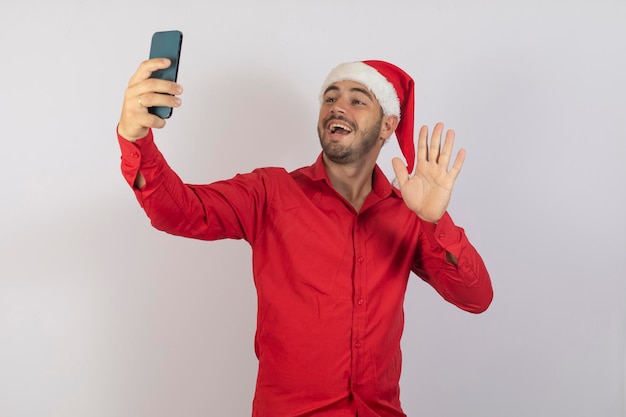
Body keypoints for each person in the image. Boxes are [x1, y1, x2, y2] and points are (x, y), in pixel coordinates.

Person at [116, 58, 493, 417]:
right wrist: (136, 140)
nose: (337, 107)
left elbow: (476, 298)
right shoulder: (270, 192)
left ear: (387, 126)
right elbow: (178, 211)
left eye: (357, 100)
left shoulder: (407, 212)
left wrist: (434, 220)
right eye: (330, 98)